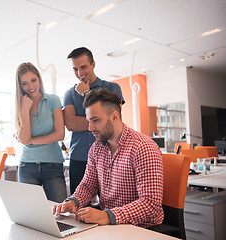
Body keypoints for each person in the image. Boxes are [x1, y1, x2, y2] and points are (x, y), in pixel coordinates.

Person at [54, 89, 164, 228]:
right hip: (110, 224)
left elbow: (151, 205)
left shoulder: (143, 147)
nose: (90, 127)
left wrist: (107, 216)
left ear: (114, 116)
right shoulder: (96, 148)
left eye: (95, 120)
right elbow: (88, 186)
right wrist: (73, 202)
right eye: (89, 121)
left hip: (141, 228)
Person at [63, 47, 125, 195]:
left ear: (93, 64)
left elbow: (114, 120)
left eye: (83, 67)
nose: (80, 73)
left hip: (108, 156)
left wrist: (86, 94)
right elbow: (71, 124)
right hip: (79, 158)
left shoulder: (112, 88)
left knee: (110, 204)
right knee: (78, 206)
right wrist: (100, 120)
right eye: (75, 69)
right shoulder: (69, 94)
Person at [14, 62, 67, 203]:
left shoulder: (53, 100)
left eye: (33, 80)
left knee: (60, 214)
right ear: (20, 86)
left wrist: (32, 140)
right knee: (31, 214)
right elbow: (24, 139)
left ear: (39, 79)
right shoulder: (19, 105)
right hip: (27, 166)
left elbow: (60, 134)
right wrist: (25, 110)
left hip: (53, 165)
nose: (31, 87)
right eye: (24, 83)